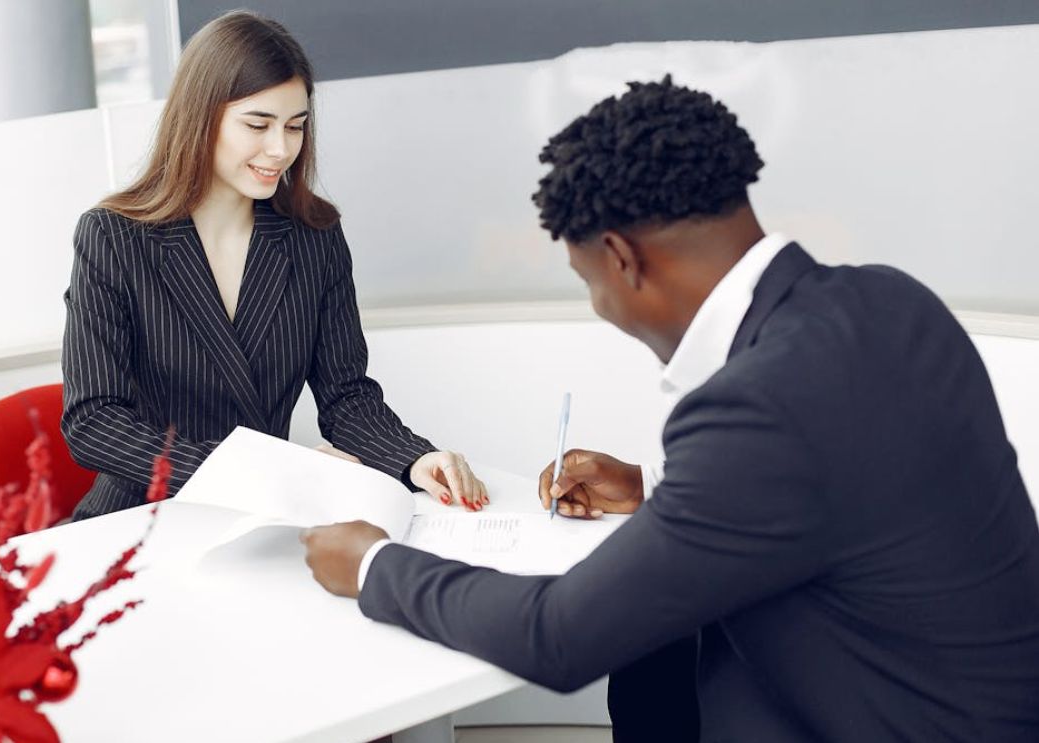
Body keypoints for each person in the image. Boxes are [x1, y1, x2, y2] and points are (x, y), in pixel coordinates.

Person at [301, 76, 1039, 741]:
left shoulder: (758, 403)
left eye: (587, 280)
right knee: (659, 655)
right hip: (973, 701)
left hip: (887, 720)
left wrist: (372, 563)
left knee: (645, 645)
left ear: (621, 259)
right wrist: (652, 488)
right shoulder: (888, 299)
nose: (598, 303)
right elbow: (848, 477)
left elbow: (555, 636)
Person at [61, 11, 488, 520]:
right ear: (201, 118)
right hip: (140, 521)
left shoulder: (314, 237)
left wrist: (415, 458)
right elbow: (94, 422)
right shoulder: (114, 237)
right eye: (258, 124)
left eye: (295, 126)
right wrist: (259, 474)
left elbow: (346, 397)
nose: (281, 149)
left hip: (263, 521)